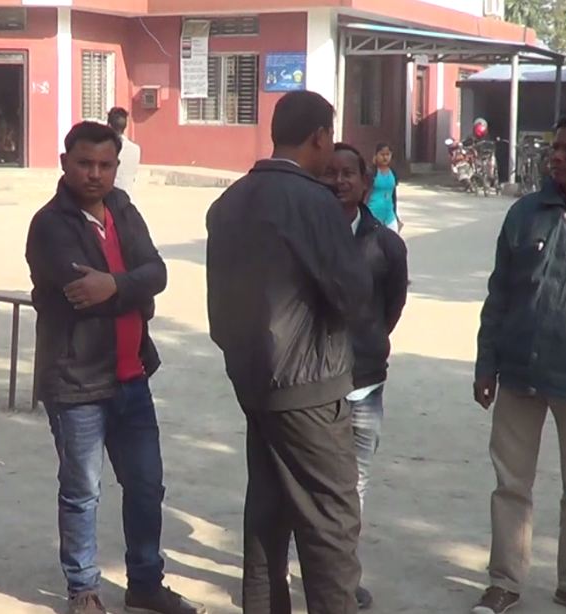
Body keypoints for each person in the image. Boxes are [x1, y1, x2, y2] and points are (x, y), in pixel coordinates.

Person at [25, 121, 204, 614]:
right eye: (85, 163)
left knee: (146, 487)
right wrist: (132, 289)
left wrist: (118, 286)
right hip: (76, 381)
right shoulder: (50, 224)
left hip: (132, 377)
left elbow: (158, 272)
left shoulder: (122, 208)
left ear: (116, 167)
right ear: (65, 163)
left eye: (105, 165)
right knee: (82, 492)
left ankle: (145, 583)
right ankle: (83, 589)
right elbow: (81, 292)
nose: (95, 174)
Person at [206, 90, 371, 614]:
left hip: (255, 382)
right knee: (331, 526)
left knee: (268, 515)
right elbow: (353, 296)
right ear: (320, 137)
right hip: (308, 387)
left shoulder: (230, 200)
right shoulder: (314, 202)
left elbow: (219, 309)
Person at [471, 110, 566, 614]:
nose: (555, 156)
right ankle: (504, 582)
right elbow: (499, 295)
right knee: (510, 485)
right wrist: (486, 363)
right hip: (519, 373)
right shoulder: (525, 213)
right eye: (554, 147)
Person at [321, 143, 409, 610]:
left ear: (365, 183)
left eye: (347, 174)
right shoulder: (306, 236)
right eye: (329, 173)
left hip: (365, 382)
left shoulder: (387, 245)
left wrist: (368, 343)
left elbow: (390, 308)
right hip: (313, 385)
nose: (338, 181)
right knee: (311, 485)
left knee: (355, 483)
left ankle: (341, 577)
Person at [366, 143, 401, 233]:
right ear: (376, 155)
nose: (385, 157)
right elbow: (364, 194)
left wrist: (396, 216)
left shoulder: (393, 173)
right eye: (382, 154)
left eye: (387, 154)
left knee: (393, 239)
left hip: (389, 215)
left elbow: (393, 196)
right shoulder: (371, 172)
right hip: (372, 214)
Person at [108, 107, 141, 194]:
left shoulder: (106, 149)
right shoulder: (135, 149)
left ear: (109, 125)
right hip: (129, 196)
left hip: (110, 197)